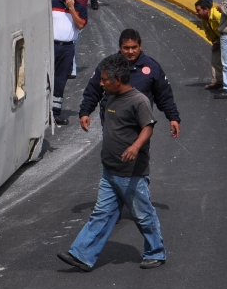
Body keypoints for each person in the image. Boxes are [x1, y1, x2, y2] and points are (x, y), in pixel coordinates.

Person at [58, 52, 166, 271]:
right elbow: (94, 96)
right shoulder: (111, 96)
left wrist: (135, 147)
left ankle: (156, 252)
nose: (101, 82)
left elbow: (148, 127)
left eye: (105, 80)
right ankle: (82, 255)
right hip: (110, 170)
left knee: (143, 215)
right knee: (101, 214)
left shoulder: (139, 101)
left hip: (131, 173)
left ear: (117, 80)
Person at [79, 29, 181, 139]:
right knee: (111, 153)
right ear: (120, 47)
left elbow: (164, 95)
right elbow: (93, 90)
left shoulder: (152, 68)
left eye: (134, 47)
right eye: (126, 48)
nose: (130, 51)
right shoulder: (108, 65)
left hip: (139, 123)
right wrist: (85, 112)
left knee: (136, 153)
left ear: (140, 46)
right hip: (112, 121)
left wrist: (173, 117)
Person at [51, 0, 87, 125]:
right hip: (51, 45)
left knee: (60, 81)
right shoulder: (53, 5)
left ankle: (55, 113)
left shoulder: (80, 9)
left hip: (67, 49)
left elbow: (80, 25)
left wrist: (71, 9)